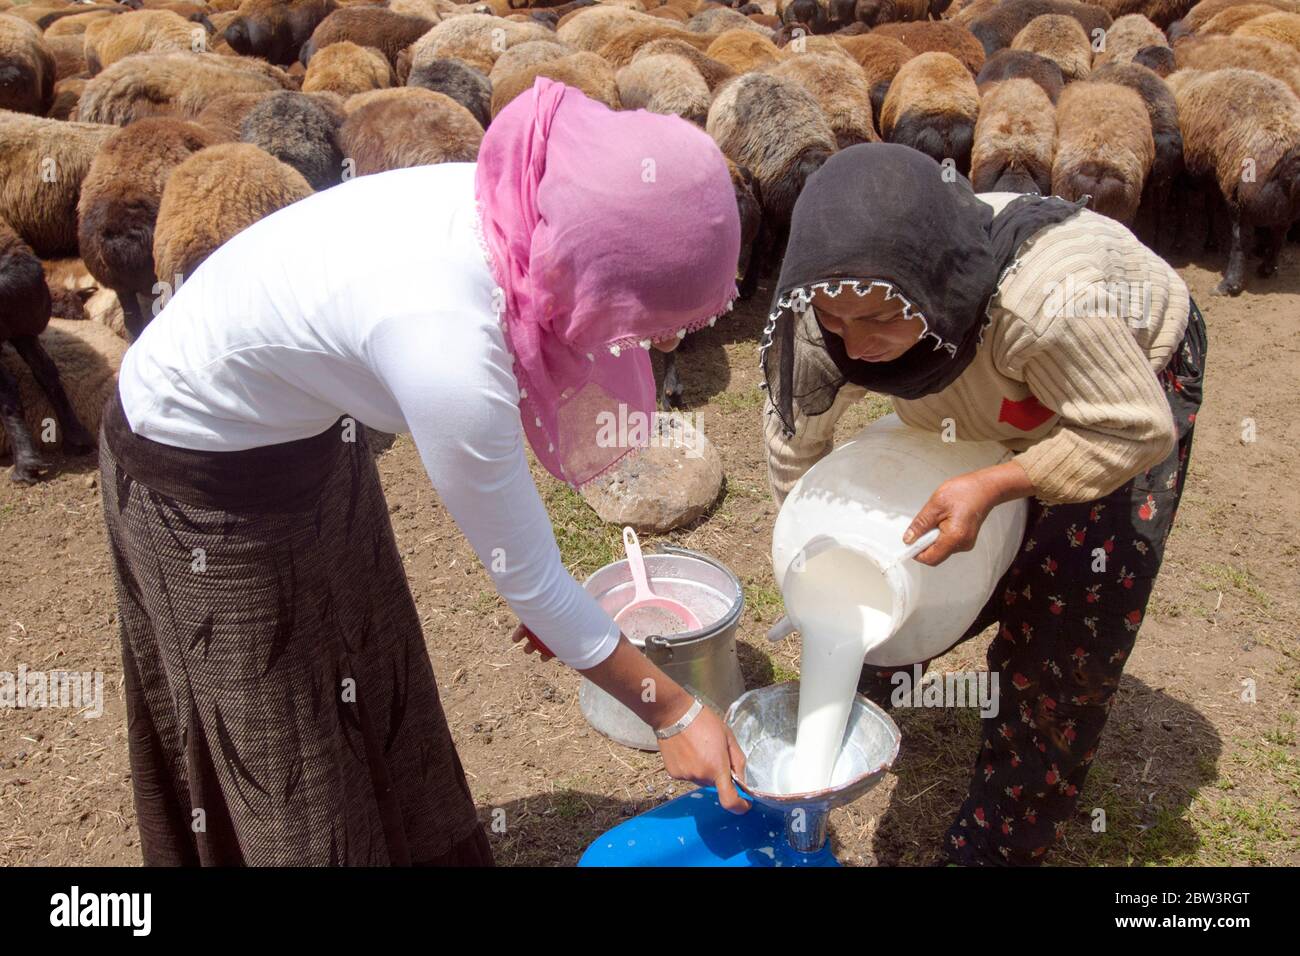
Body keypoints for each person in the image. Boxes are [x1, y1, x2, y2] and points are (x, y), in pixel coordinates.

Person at [99, 78, 751, 867]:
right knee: (281, 726)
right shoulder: (443, 336)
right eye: (647, 322)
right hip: (197, 468)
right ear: (601, 278)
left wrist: (555, 608)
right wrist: (675, 711)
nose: (657, 345)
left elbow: (522, 548)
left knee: (369, 661)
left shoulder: (522, 216)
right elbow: (526, 569)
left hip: (305, 427)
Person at [760, 143, 1206, 865]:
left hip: (1116, 383)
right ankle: (853, 704)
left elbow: (1132, 426)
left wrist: (997, 483)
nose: (855, 343)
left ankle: (999, 840)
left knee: (1063, 624)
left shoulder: (1045, 303)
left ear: (931, 287)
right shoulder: (832, 302)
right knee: (888, 551)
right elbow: (794, 444)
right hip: (991, 392)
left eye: (878, 319)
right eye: (837, 324)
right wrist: (811, 545)